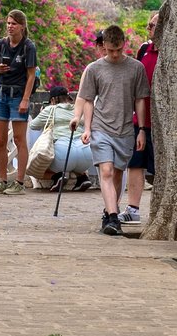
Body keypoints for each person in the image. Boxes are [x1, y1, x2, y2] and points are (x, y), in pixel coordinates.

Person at [77, 25, 150, 236]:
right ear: (104, 47)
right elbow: (88, 100)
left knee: (117, 173)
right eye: (110, 50)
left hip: (126, 129)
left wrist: (142, 129)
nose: (115, 54)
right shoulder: (94, 69)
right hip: (101, 127)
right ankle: (112, 217)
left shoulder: (136, 68)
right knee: (106, 171)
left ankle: (111, 209)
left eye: (118, 50)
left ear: (124, 45)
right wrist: (87, 128)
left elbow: (140, 100)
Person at [0, 9, 38, 194]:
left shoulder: (28, 46)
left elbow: (31, 74)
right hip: (0, 93)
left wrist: (26, 99)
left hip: (18, 95)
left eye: (14, 23)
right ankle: (2, 180)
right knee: (0, 140)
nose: (10, 26)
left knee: (19, 139)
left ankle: (19, 182)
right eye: (8, 23)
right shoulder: (1, 44)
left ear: (22, 26)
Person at [123, 14, 161, 208]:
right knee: (135, 163)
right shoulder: (144, 50)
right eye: (148, 25)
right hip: (141, 121)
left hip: (163, 124)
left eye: (152, 25)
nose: (148, 29)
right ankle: (133, 208)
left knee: (160, 168)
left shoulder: (171, 53)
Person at [26, 85, 81, 190]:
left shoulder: (50, 109)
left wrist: (43, 112)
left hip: (63, 153)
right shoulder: (77, 110)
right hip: (85, 153)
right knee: (74, 157)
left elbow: (33, 125)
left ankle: (57, 176)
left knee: (36, 167)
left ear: (52, 99)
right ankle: (82, 177)